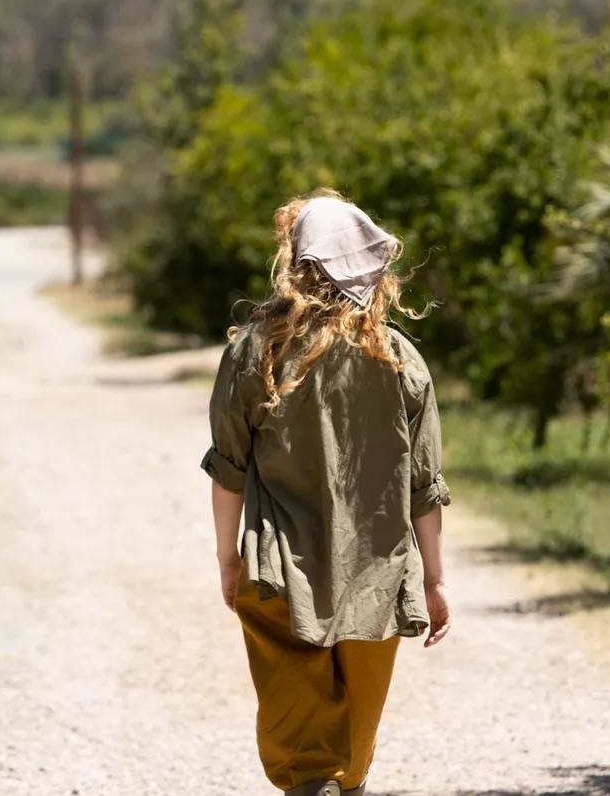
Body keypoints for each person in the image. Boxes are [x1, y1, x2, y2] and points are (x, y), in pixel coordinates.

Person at [201, 188, 452, 796]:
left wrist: (227, 557)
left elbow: (229, 468)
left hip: (280, 573)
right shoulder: (401, 360)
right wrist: (436, 580)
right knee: (354, 754)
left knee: (307, 757)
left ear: (295, 262)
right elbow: (425, 486)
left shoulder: (254, 353)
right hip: (377, 577)